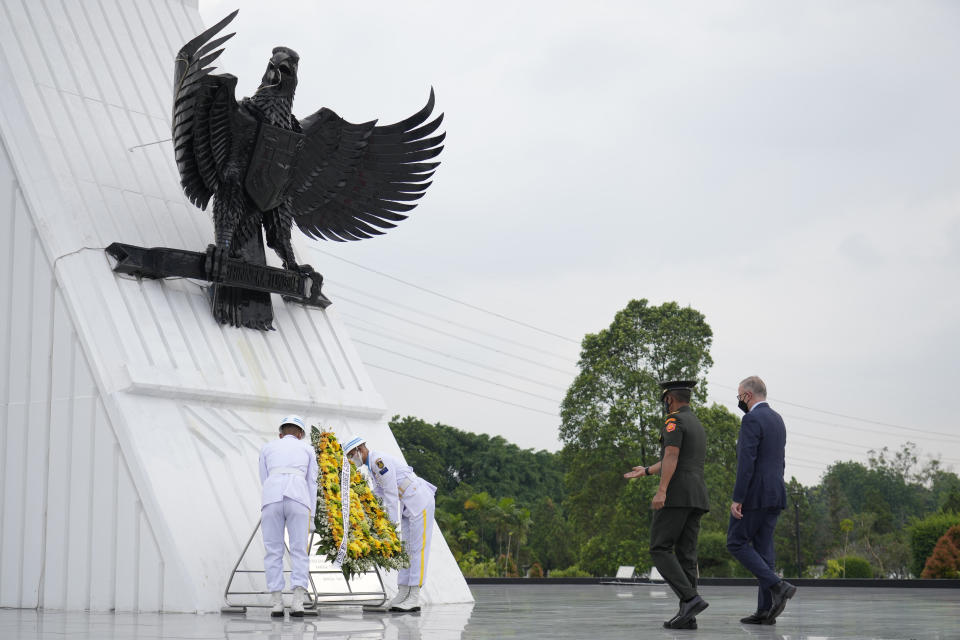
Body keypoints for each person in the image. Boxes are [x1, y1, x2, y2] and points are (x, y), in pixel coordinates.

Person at [624, 380, 710, 630]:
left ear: (669, 399)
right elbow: (673, 457)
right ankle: (688, 614)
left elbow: (671, 455)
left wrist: (662, 490)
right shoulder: (696, 423)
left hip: (677, 494)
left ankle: (691, 599)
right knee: (686, 554)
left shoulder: (674, 421)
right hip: (697, 496)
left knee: (659, 548)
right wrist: (647, 471)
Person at [726, 376, 796, 625]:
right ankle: (765, 611)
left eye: (739, 396)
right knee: (765, 552)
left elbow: (747, 462)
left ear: (747, 395)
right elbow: (781, 460)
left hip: (755, 494)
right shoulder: (778, 419)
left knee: (735, 542)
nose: (738, 400)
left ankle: (778, 586)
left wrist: (738, 498)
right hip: (775, 492)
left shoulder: (751, 419)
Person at [344, 435, 437, 612]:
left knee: (417, 550)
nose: (350, 460)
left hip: (419, 503)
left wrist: (391, 528)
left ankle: (415, 597)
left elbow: (391, 495)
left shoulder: (379, 461)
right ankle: (403, 592)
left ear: (360, 450)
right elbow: (380, 493)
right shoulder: (372, 467)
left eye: (351, 455)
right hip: (408, 507)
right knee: (405, 550)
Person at [259, 415, 318, 617]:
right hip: (298, 497)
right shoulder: (308, 449)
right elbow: (313, 483)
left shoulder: (267, 447)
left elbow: (263, 477)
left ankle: (276, 601)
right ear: (300, 434)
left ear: (280, 433)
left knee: (273, 550)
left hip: (272, 498)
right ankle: (298, 602)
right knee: (299, 550)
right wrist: (313, 514)